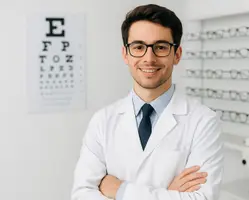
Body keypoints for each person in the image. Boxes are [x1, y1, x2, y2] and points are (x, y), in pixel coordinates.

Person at [71, 4, 224, 200]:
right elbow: (81, 195)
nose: (149, 58)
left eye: (160, 47)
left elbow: (202, 198)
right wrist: (170, 193)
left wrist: (120, 190)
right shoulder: (102, 121)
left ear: (176, 55)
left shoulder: (204, 121)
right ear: (125, 54)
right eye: (138, 47)